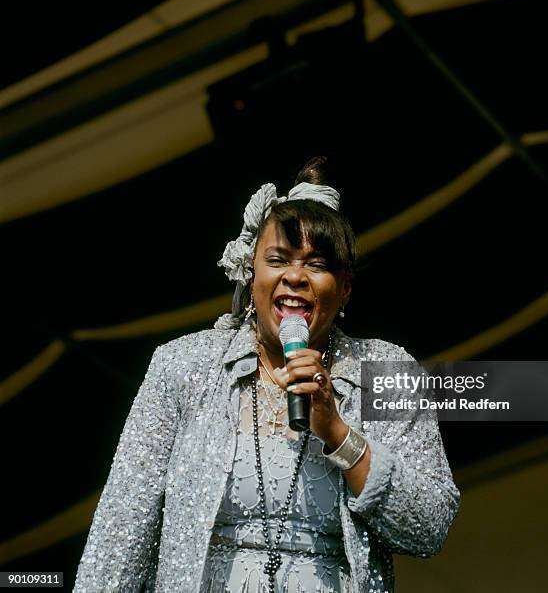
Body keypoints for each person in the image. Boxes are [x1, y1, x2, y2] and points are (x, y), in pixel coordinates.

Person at [74, 157, 460, 593]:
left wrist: (337, 432)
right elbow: (122, 526)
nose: (294, 276)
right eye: (278, 259)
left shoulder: (386, 371)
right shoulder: (184, 366)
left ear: (345, 286)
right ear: (250, 271)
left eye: (316, 264)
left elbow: (429, 527)